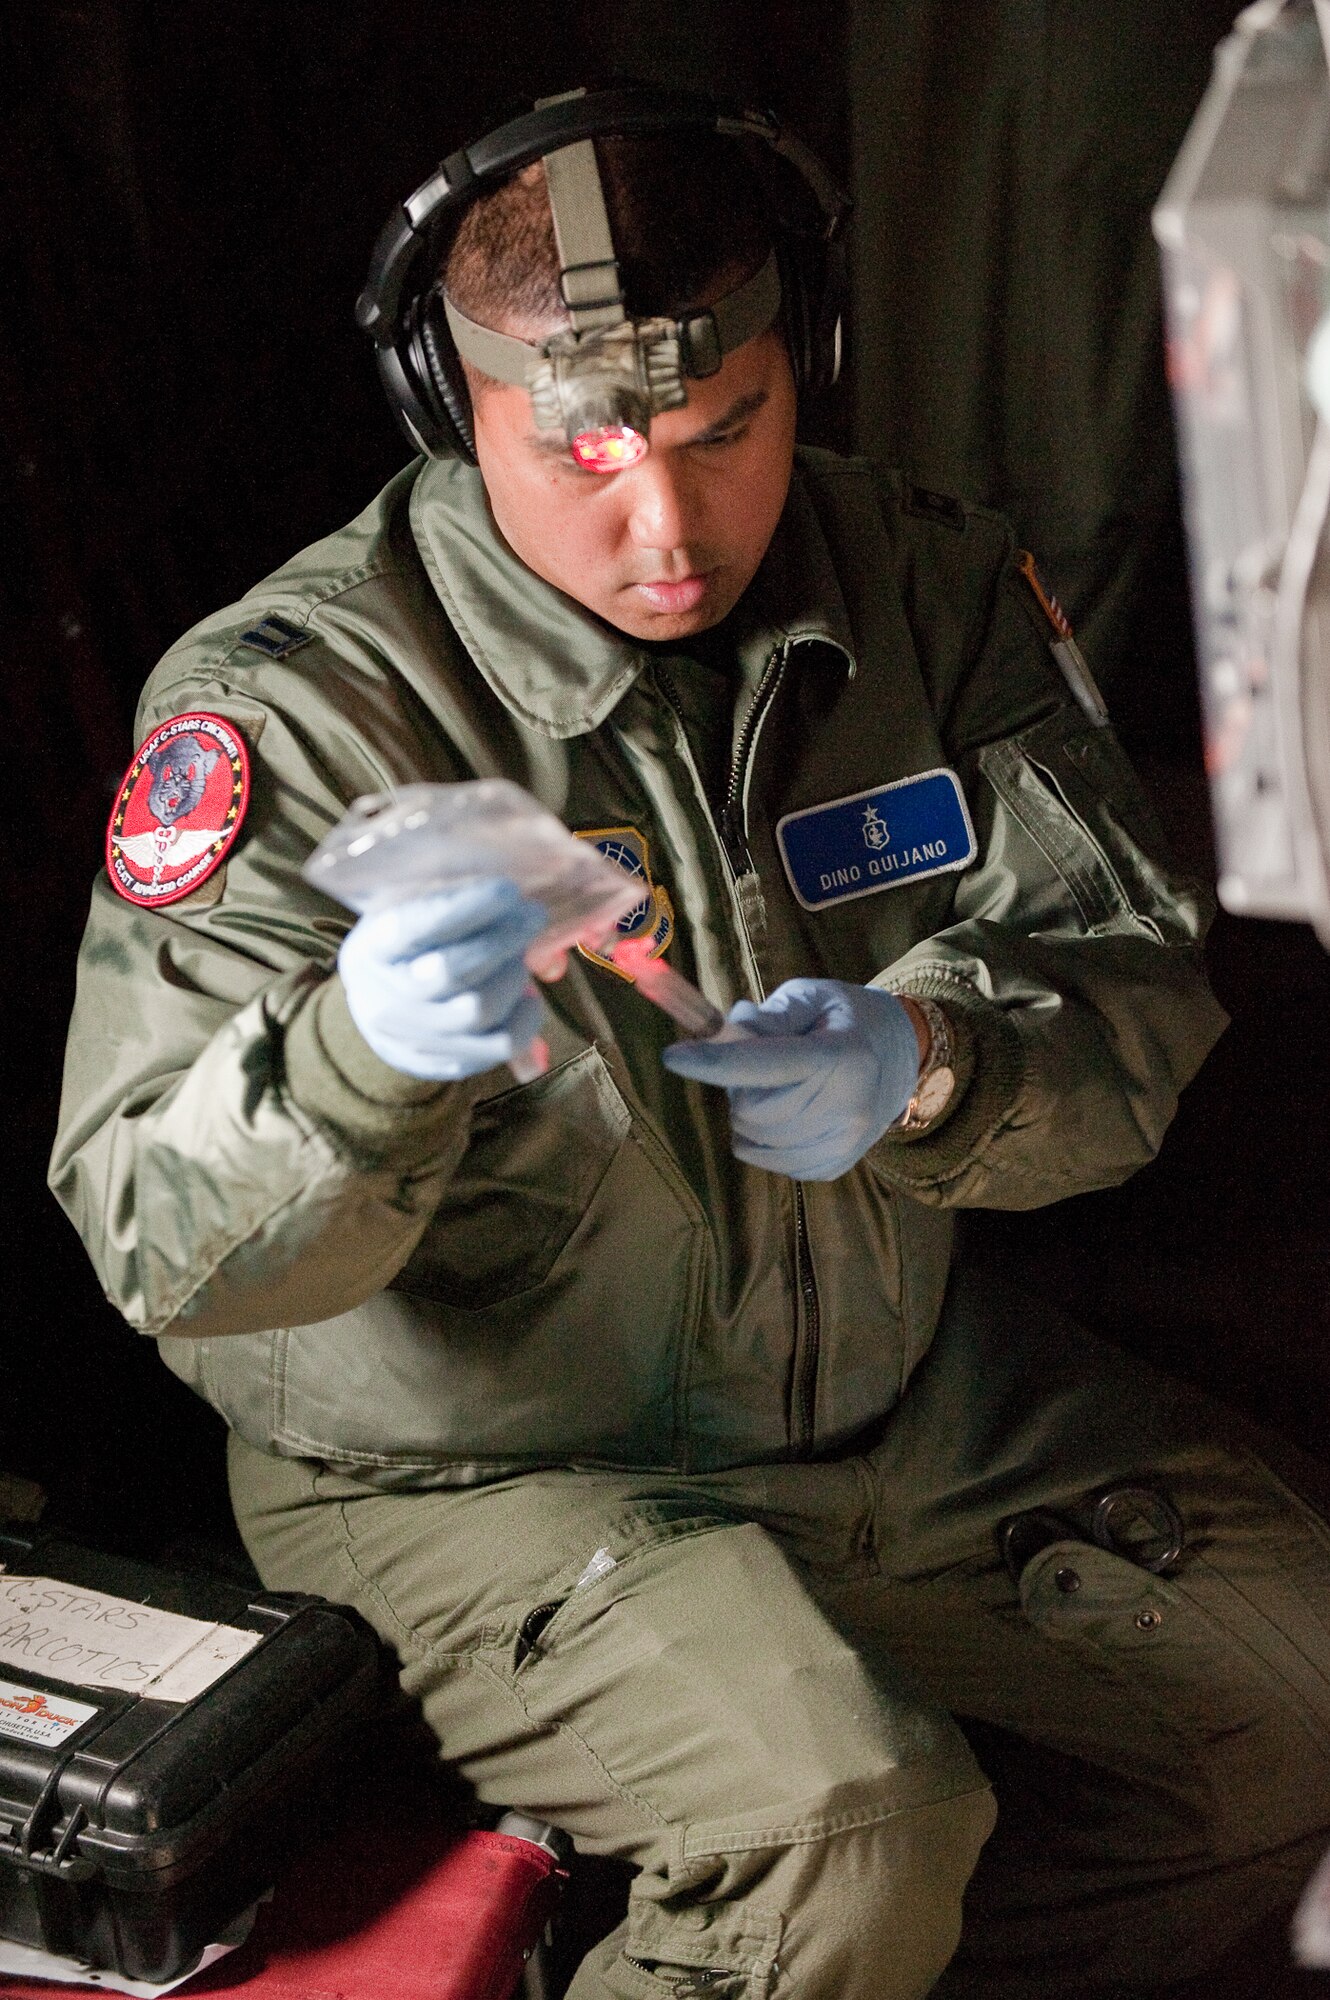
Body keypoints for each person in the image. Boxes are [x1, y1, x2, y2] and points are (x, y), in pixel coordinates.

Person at [50, 90, 1330, 2000]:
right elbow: (159, 1236)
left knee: (1298, 1716)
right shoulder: (288, 713)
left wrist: (933, 1066)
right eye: (583, 448)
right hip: (474, 1476)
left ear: (800, 368)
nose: (667, 525)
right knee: (845, 1830)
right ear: (446, 407)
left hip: (895, 1399)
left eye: (726, 432)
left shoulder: (924, 584)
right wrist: (356, 1053)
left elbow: (1131, 984)